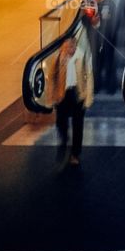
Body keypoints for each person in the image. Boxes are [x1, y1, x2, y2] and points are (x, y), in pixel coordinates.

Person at [51, 31, 94, 165]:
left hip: (77, 93)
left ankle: (75, 154)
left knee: (78, 124)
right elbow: (52, 76)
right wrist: (52, 95)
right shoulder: (58, 57)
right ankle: (64, 139)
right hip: (62, 93)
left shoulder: (81, 56)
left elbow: (89, 76)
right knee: (60, 121)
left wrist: (88, 97)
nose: (70, 49)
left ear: (75, 45)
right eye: (67, 46)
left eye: (72, 46)